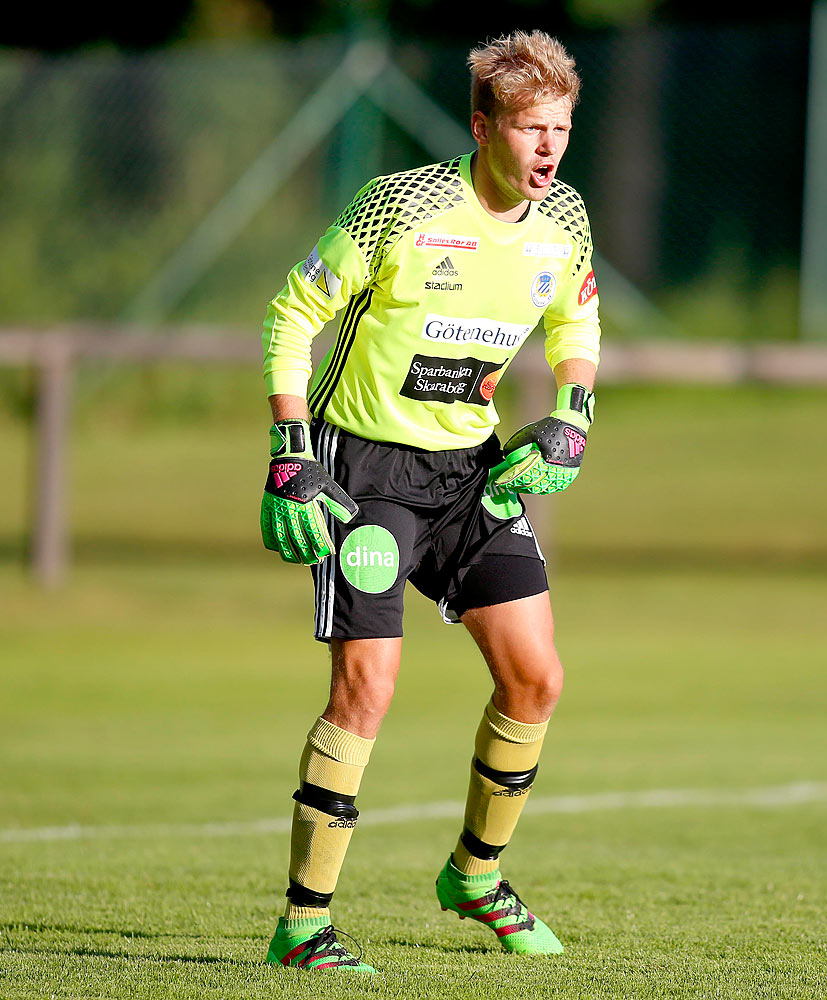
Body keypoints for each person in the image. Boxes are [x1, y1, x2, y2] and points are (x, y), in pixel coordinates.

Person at [256, 29, 600, 972]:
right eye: (531, 128)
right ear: (484, 126)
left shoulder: (562, 218)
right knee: (366, 690)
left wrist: (573, 413)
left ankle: (476, 878)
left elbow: (577, 323)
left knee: (537, 677)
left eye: (561, 128)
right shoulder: (401, 206)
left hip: (470, 475)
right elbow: (292, 314)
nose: (548, 148)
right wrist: (291, 450)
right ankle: (304, 926)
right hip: (363, 471)